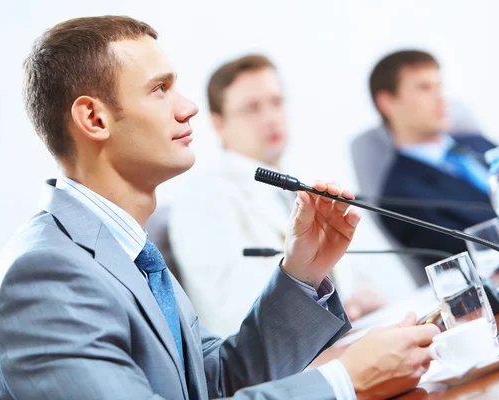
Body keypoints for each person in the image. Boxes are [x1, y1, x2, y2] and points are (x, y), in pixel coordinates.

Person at [0, 16, 439, 400]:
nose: (189, 108)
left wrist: (300, 275)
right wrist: (342, 383)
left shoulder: (128, 250)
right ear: (94, 119)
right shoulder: (46, 274)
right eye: (160, 89)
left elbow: (213, 379)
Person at [165, 54, 414, 336]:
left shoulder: (311, 179)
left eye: (276, 102)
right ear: (218, 124)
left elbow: (379, 271)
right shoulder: (200, 199)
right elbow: (232, 315)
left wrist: (381, 301)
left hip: (366, 331)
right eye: (252, 108)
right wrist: (338, 309)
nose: (271, 117)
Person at [361, 49, 499, 275]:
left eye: (439, 86)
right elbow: (470, 257)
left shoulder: (476, 143)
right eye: (424, 88)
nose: (440, 98)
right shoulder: (398, 195)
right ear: (387, 102)